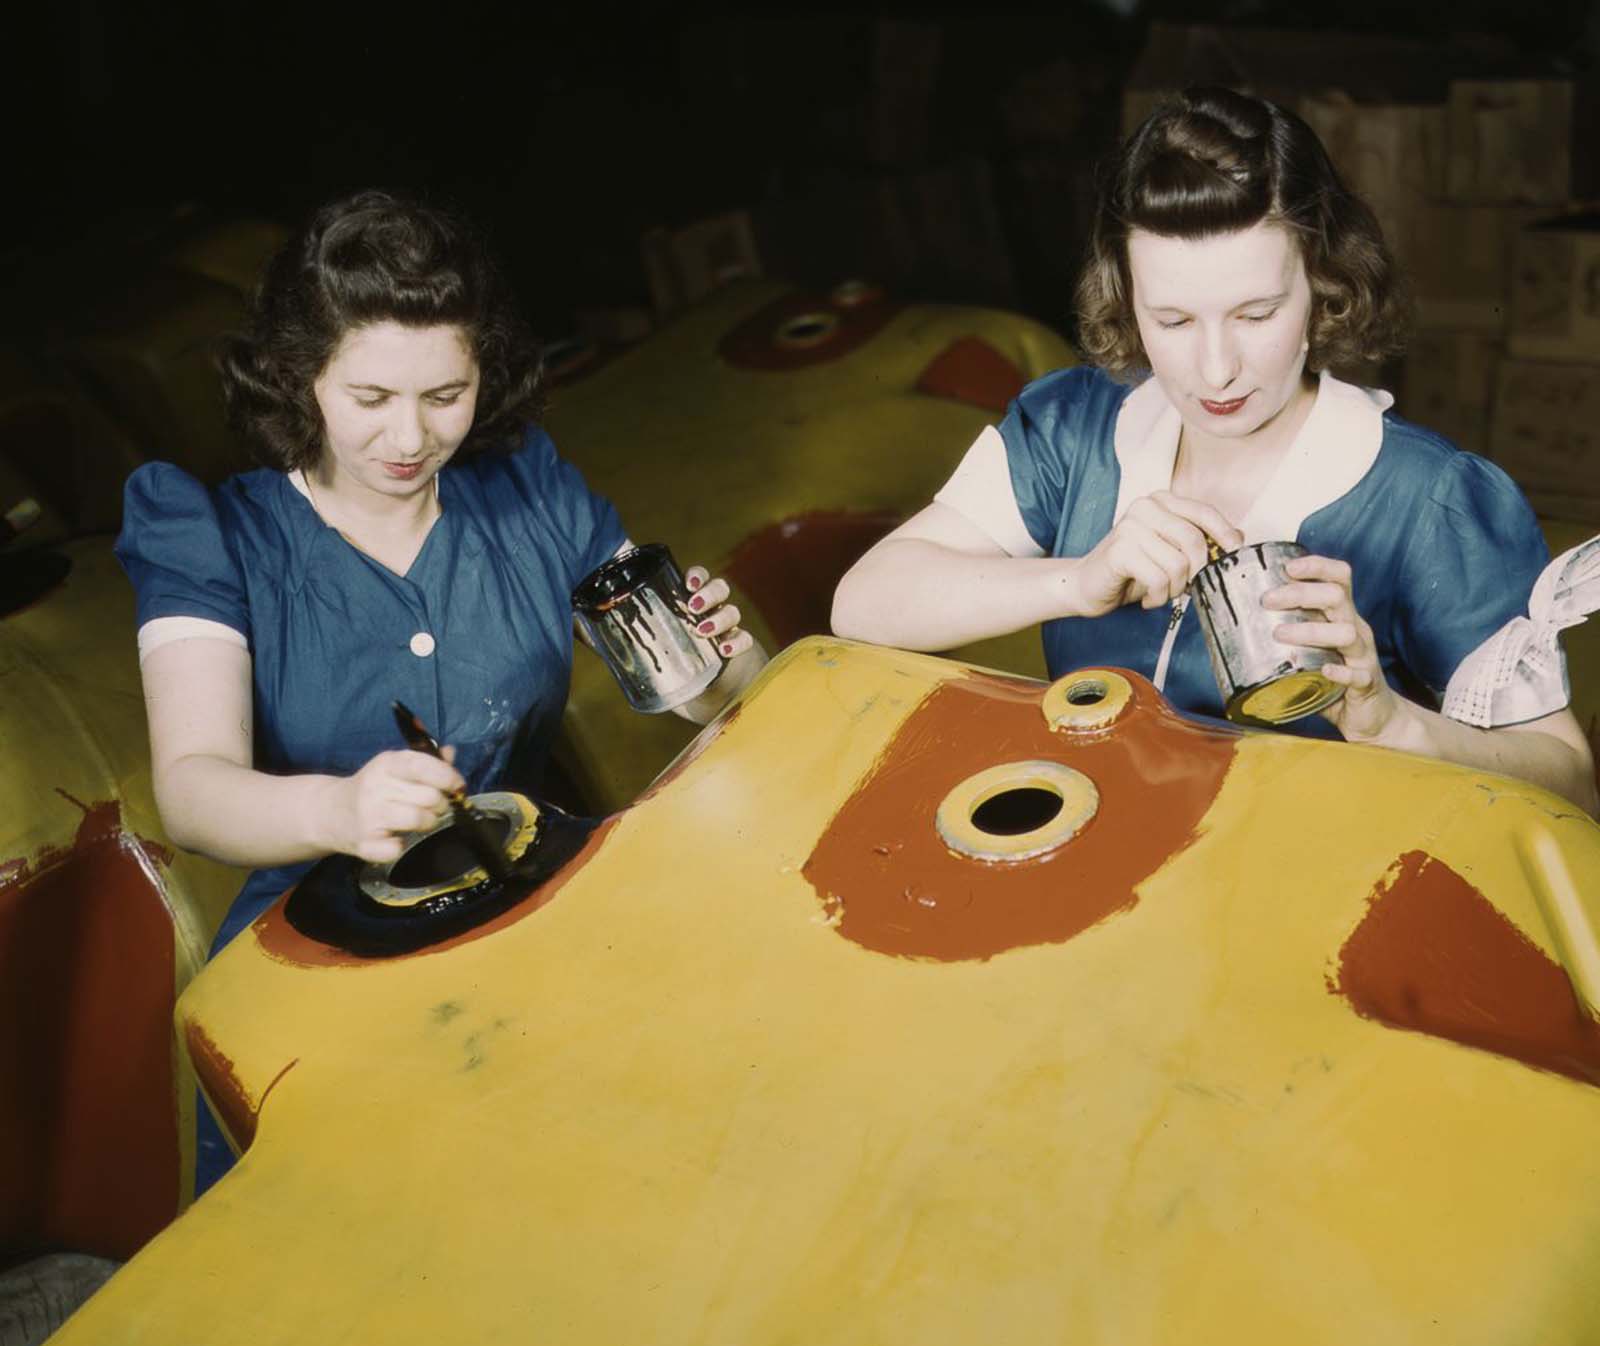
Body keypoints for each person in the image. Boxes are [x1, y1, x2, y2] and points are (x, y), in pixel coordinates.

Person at [116, 189, 760, 1190]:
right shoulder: (208, 531)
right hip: (317, 965)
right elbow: (194, 792)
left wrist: (726, 660)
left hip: (526, 905)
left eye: (445, 394)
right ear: (298, 375)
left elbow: (699, 696)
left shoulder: (528, 487)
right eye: (369, 398)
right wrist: (336, 805)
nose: (410, 437)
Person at [831, 86, 1597, 814]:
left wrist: (1391, 723)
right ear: (1126, 297)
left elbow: (1571, 784)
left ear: (1323, 283)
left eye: (1257, 313)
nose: (1217, 369)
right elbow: (863, 604)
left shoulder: (1433, 502)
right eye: (1172, 321)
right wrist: (1077, 581)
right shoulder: (1072, 428)